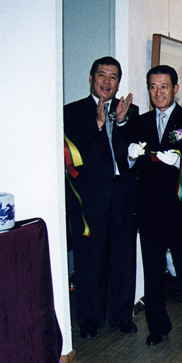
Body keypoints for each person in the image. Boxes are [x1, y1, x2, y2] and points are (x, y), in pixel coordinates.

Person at [127, 65, 182, 349]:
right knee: (153, 270)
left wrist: (180, 162)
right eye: (153, 86)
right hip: (150, 209)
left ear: (175, 88)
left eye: (164, 86)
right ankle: (157, 327)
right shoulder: (139, 123)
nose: (158, 92)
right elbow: (130, 165)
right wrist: (130, 157)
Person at [64, 56, 139, 339]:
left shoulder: (130, 111)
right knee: (89, 260)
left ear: (118, 83)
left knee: (123, 259)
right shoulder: (72, 112)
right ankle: (89, 319)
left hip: (122, 196)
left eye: (113, 77)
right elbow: (72, 152)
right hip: (90, 198)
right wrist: (97, 124)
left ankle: (122, 315)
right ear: (91, 78)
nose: (107, 82)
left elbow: (132, 154)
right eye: (101, 75)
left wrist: (120, 122)